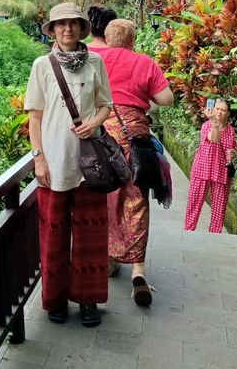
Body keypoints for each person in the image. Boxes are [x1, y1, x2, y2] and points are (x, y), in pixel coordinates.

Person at [24, 2, 114, 327]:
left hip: (91, 165)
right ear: (52, 30)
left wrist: (94, 123)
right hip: (55, 162)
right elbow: (34, 117)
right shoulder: (42, 66)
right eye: (60, 25)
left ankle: (88, 301)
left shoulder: (95, 62)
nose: (67, 30)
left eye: (72, 24)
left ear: (81, 28)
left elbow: (106, 105)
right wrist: (39, 159)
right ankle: (55, 300)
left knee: (91, 236)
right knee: (53, 236)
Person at [88, 17, 174, 306]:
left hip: (102, 140)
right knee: (136, 201)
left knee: (106, 198)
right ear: (133, 41)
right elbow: (167, 99)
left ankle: (108, 260)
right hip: (135, 142)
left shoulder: (93, 57)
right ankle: (138, 271)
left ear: (107, 38)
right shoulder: (144, 62)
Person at [184, 99, 236, 234]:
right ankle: (189, 230)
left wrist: (232, 153)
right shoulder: (207, 125)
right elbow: (214, 139)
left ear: (227, 113)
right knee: (194, 201)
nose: (219, 112)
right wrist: (213, 121)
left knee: (219, 207)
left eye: (223, 110)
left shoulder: (231, 131)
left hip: (221, 171)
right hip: (203, 168)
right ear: (213, 109)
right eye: (217, 108)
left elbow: (233, 148)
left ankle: (215, 234)